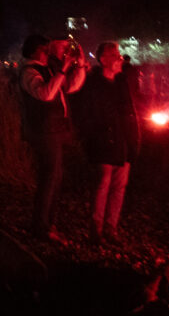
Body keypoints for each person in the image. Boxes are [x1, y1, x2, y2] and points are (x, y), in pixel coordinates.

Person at [19, 34, 87, 243]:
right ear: (35, 51)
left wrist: (81, 66)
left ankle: (47, 223)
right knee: (49, 179)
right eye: (45, 49)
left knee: (55, 178)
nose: (48, 52)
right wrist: (62, 69)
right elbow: (46, 94)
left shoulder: (49, 69)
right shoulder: (29, 72)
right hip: (43, 132)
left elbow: (71, 87)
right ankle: (41, 227)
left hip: (55, 130)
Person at [74, 42, 140, 246]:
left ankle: (111, 228)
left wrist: (133, 141)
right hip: (102, 140)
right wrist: (93, 136)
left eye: (119, 54)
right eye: (115, 55)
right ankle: (96, 230)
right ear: (103, 59)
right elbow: (84, 115)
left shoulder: (122, 81)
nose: (120, 59)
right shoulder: (92, 83)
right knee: (103, 183)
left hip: (122, 140)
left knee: (119, 185)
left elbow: (129, 112)